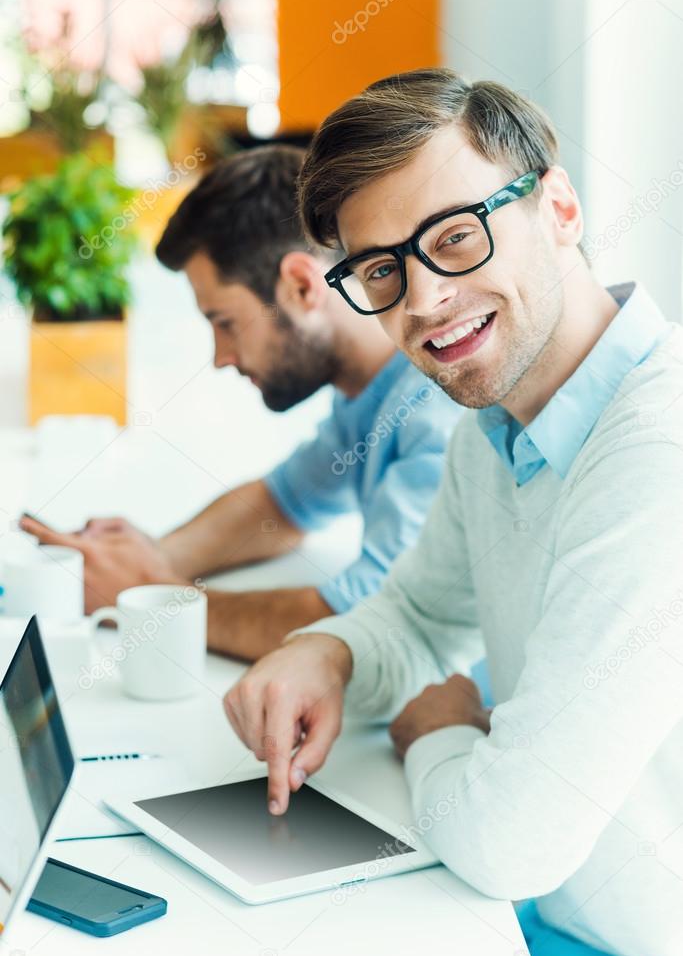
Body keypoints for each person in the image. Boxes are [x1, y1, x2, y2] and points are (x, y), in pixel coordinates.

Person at [223, 70, 683, 956]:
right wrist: (333, 652)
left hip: (629, 953)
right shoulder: (498, 420)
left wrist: (433, 730)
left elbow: (515, 840)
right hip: (536, 917)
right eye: (383, 269)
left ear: (558, 208)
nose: (424, 300)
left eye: (456, 237)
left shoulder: (654, 450)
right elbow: (424, 613)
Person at [21, 145, 462, 661]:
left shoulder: (437, 411)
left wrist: (149, 598)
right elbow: (283, 503)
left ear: (300, 285)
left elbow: (372, 628)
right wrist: (151, 557)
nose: (220, 357)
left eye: (224, 322)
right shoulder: (370, 395)